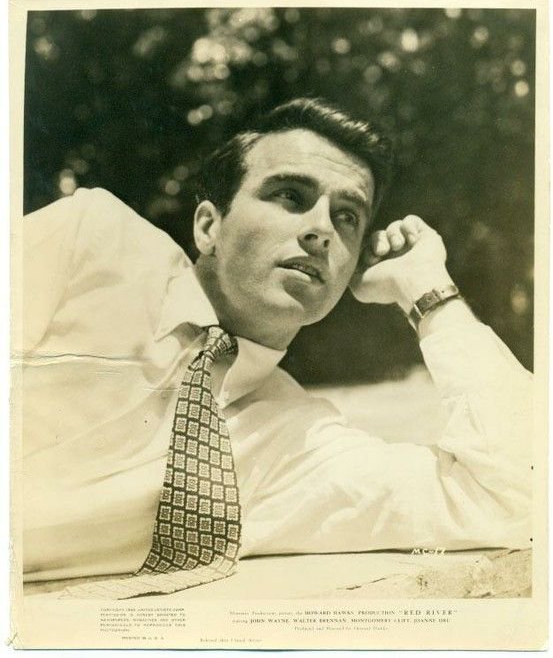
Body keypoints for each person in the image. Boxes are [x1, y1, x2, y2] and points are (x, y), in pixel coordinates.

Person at [21, 98, 531, 586]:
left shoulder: (297, 448)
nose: (321, 230)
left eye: (347, 216)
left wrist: (429, 293)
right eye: (290, 196)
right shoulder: (93, 240)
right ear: (209, 226)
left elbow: (521, 491)